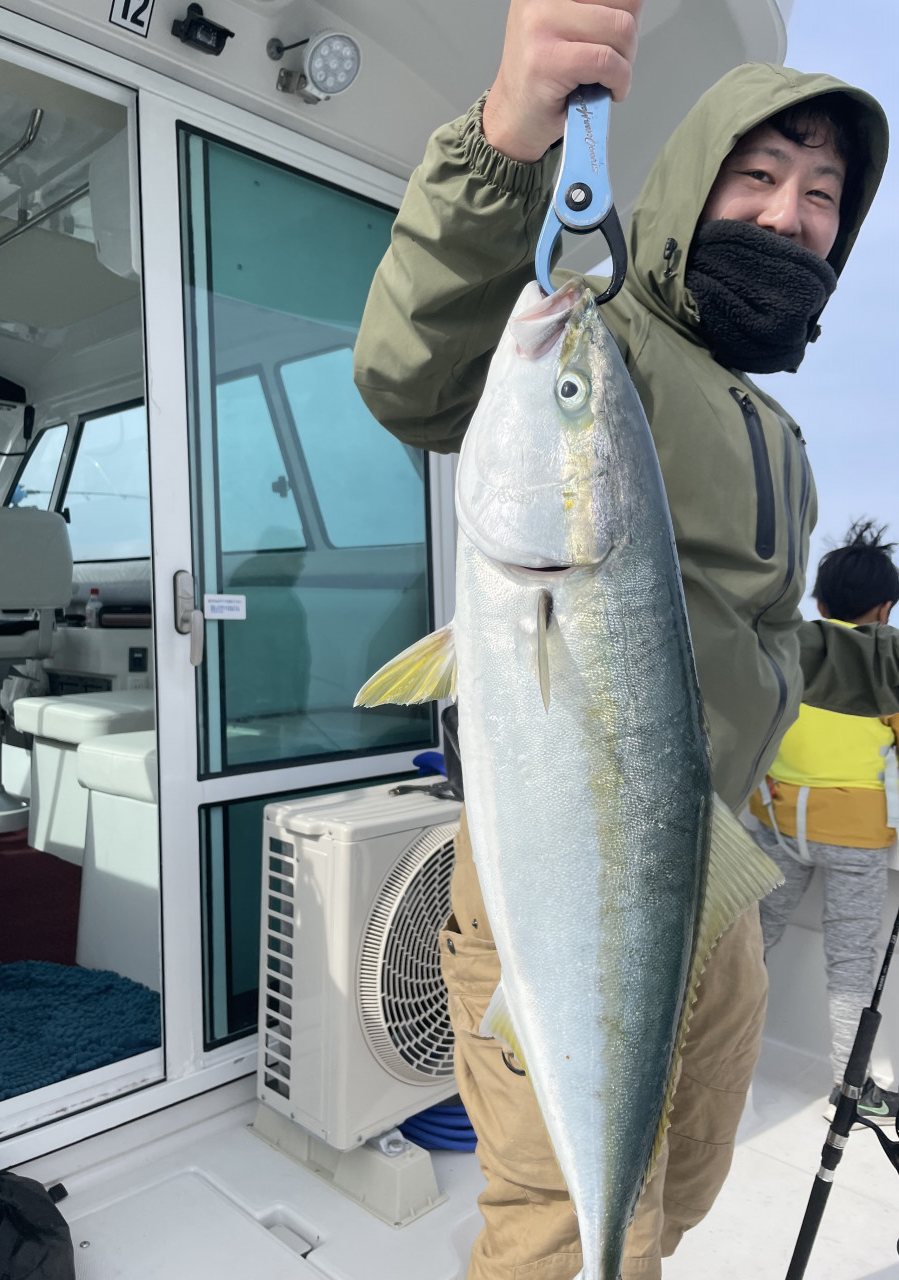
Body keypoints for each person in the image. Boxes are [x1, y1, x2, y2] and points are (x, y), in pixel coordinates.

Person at [353, 2, 896, 1275]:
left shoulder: (780, 435)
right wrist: (505, 141)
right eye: (759, 174)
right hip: (566, 857)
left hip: (713, 868)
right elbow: (413, 371)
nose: (790, 215)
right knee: (563, 1227)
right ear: (691, 182)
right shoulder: (607, 335)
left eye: (823, 194)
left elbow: (778, 644)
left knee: (683, 1177)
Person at [750, 521, 899, 1125]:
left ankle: (716, 1053)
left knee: (751, 942)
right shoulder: (888, 668)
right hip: (856, 837)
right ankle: (850, 1085)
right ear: (884, 610)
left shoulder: (790, 653)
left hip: (778, 824)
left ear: (818, 602)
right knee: (851, 963)